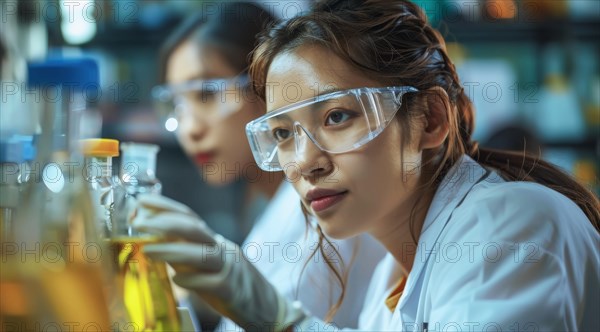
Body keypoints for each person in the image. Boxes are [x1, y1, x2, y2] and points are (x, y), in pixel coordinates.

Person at [138, 0, 600, 331]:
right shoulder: (390, 274)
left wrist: (274, 317)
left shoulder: (508, 224)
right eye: (282, 134)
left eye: (337, 116)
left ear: (431, 120)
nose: (303, 163)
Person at [151, 2, 386, 330]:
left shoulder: (323, 206)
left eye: (206, 93)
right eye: (175, 104)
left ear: (266, 85)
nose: (190, 129)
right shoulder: (270, 202)